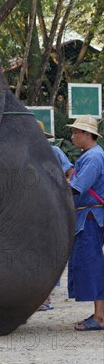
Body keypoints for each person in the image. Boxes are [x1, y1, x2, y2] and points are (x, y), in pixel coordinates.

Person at [66, 115, 104, 331]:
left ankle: (99, 317)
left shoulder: (93, 158)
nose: (72, 137)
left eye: (76, 133)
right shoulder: (89, 155)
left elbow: (77, 187)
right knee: (92, 264)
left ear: (88, 135)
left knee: (93, 265)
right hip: (88, 216)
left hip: (90, 217)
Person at [36, 120, 73, 311]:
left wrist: (60, 190)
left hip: (52, 208)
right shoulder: (26, 153)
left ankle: (46, 297)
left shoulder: (55, 152)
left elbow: (70, 172)